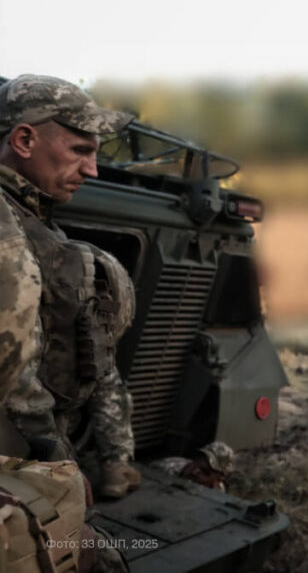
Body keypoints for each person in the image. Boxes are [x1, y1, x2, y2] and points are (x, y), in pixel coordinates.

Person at [0, 74, 140, 500]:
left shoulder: (31, 217)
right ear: (24, 140)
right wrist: (60, 470)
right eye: (80, 150)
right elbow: (13, 375)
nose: (92, 169)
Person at [151, 441, 235, 491]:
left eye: (205, 472)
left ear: (219, 479)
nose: (194, 472)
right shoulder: (163, 470)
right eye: (195, 463)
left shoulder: (218, 490)